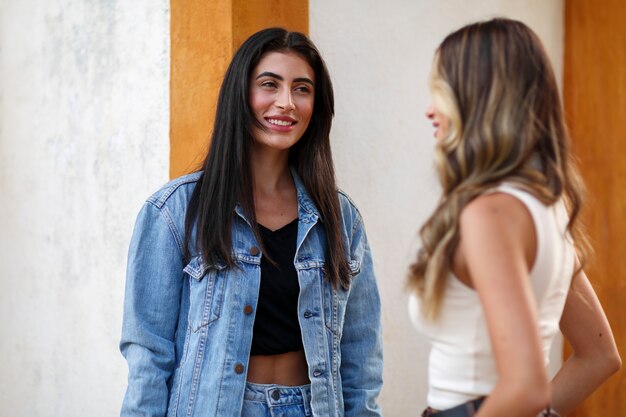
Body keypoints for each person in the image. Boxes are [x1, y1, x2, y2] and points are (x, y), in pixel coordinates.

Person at [119, 28, 383, 417]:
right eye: (269, 85)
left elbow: (361, 355)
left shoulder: (340, 218)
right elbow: (149, 355)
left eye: (302, 89)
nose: (286, 102)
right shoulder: (175, 211)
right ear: (241, 95)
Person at [408, 18, 621, 417]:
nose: (429, 110)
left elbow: (524, 388)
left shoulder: (490, 213)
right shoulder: (548, 206)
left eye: (440, 91)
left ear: (477, 97)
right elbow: (600, 357)